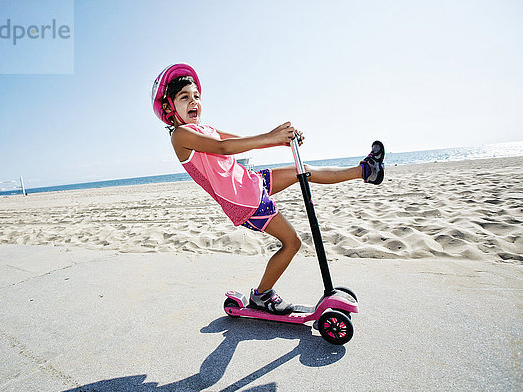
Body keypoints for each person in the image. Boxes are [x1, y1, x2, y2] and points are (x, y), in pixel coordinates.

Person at [151, 63, 384, 315]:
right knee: (292, 242)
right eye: (184, 97)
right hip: (242, 201)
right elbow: (223, 149)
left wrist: (281, 141)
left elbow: (238, 141)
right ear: (168, 107)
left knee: (301, 169)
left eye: (196, 96)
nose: (194, 101)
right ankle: (262, 295)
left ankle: (366, 170)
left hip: (249, 181)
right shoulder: (181, 135)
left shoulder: (204, 128)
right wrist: (272, 137)